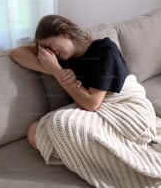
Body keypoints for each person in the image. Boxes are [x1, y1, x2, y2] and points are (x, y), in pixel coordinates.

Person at [10, 14, 128, 150]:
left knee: (45, 128)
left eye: (48, 46)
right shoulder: (64, 59)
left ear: (64, 33)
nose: (49, 53)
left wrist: (56, 70)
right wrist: (56, 70)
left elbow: (92, 104)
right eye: (44, 49)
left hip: (114, 105)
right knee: (34, 131)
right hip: (86, 110)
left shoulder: (105, 50)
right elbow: (17, 53)